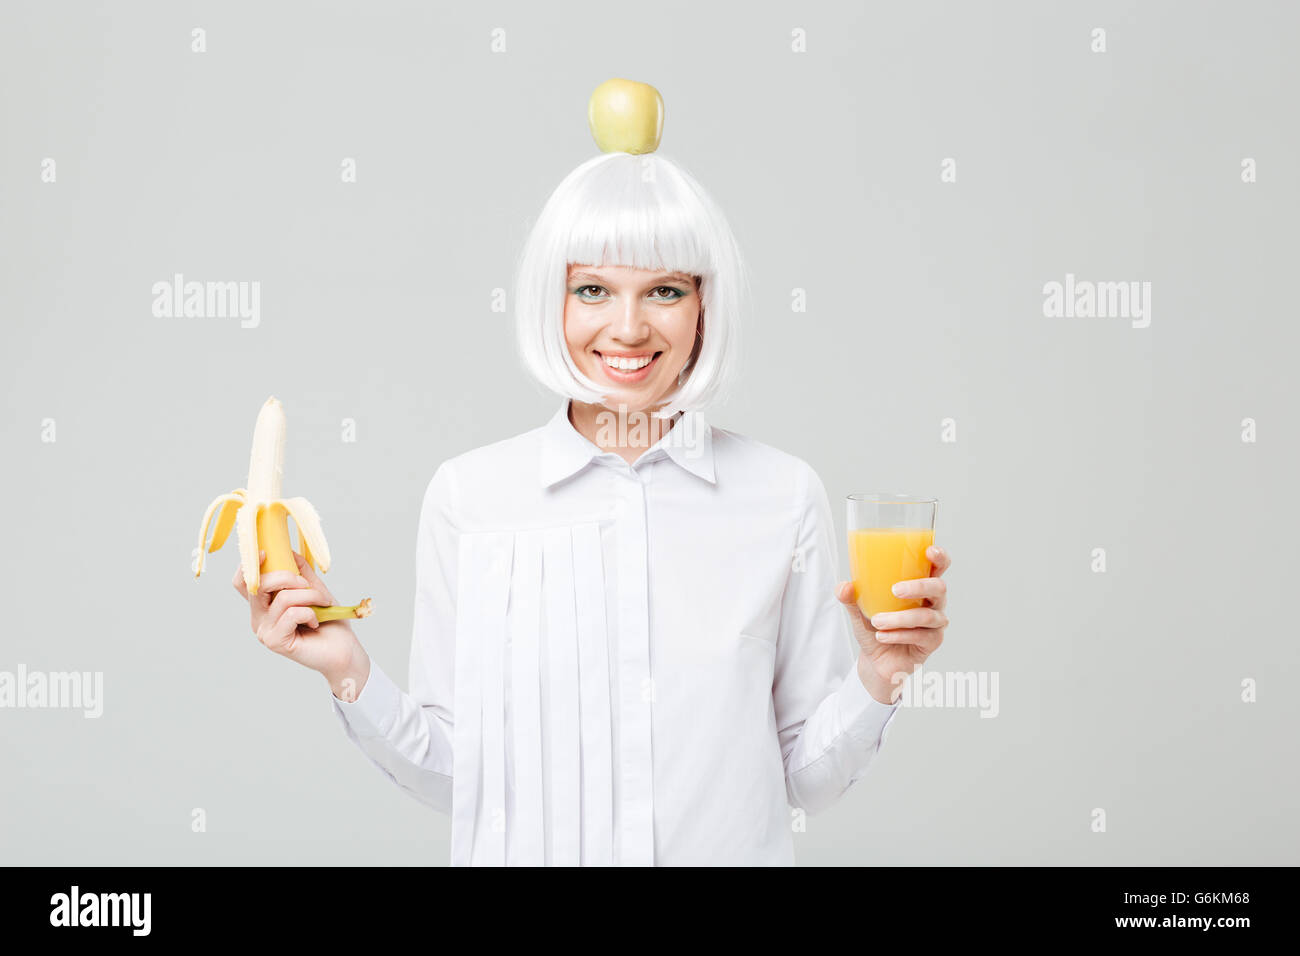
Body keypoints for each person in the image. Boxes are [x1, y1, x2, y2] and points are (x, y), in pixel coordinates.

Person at [233, 81, 952, 866]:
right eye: (593, 290)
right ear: (555, 301)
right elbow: (456, 778)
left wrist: (879, 674)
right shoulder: (470, 498)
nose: (629, 327)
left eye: (665, 291)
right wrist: (347, 669)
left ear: (704, 307)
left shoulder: (783, 496)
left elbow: (809, 781)